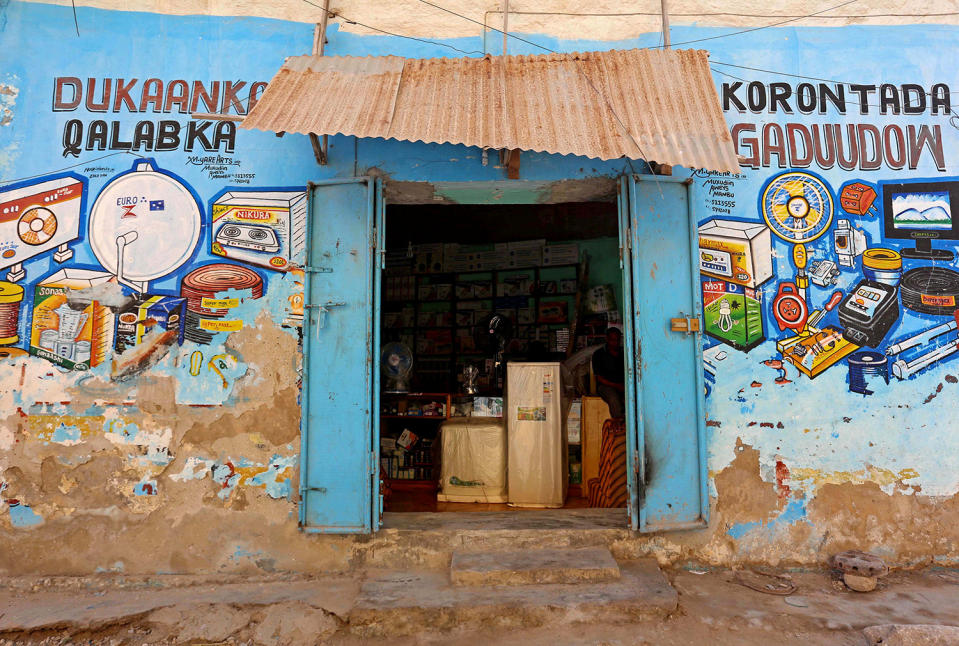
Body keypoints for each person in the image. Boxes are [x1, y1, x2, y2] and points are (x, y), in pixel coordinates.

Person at [592, 327, 625, 418]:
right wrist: (617, 386)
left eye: (617, 340)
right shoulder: (599, 354)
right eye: (612, 340)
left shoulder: (625, 353)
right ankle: (619, 425)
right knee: (614, 399)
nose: (615, 343)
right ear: (607, 339)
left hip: (622, 385)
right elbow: (599, 378)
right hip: (605, 386)